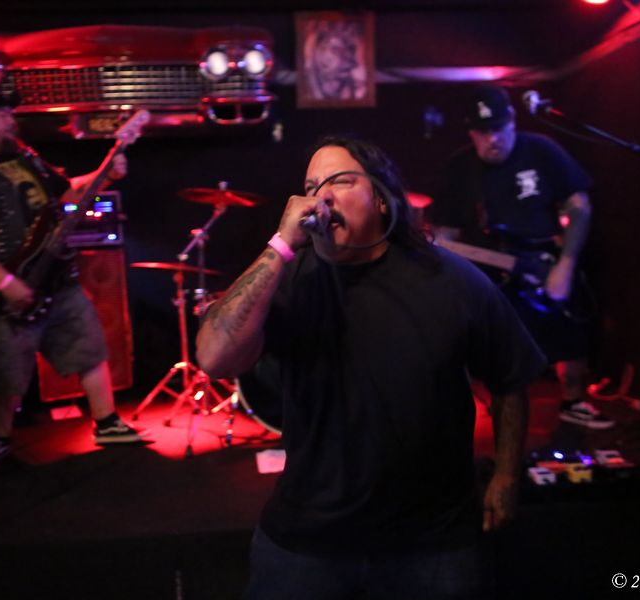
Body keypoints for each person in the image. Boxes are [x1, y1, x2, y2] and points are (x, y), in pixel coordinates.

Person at [196, 135, 546, 599]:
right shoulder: (291, 278)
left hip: (433, 541)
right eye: (311, 186)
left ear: (382, 199)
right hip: (309, 541)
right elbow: (214, 358)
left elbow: (509, 376)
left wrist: (506, 475)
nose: (321, 196)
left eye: (340, 181)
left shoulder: (451, 280)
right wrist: (280, 246)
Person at [0, 87, 148, 471]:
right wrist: (5, 284)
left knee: (90, 349)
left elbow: (67, 195)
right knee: (3, 373)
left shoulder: (26, 157)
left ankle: (107, 422)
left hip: (56, 278)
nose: (11, 120)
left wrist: (105, 175)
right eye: (2, 114)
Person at [433, 84, 614, 430]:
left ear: (512, 120)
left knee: (569, 328)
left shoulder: (541, 150)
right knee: (476, 339)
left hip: (543, 260)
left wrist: (565, 264)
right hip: (489, 269)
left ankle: (573, 401)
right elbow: (446, 235)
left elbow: (579, 206)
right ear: (470, 132)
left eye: (498, 128)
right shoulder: (460, 168)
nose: (492, 139)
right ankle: (474, 410)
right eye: (483, 132)